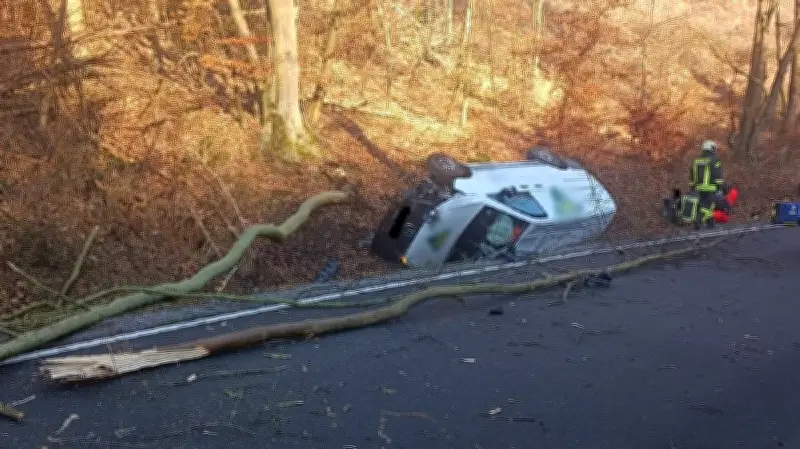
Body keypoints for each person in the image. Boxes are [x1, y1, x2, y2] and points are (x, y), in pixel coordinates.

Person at [680, 140, 724, 228]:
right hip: (711, 188)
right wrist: (719, 188)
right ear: (712, 148)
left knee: (704, 205)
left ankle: (711, 225)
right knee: (708, 207)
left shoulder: (696, 161)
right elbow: (717, 176)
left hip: (698, 189)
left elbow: (692, 176)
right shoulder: (715, 160)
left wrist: (693, 188)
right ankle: (698, 220)